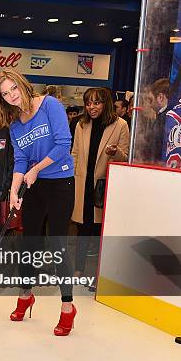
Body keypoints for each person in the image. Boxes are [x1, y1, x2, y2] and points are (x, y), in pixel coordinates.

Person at [0, 69, 76, 336]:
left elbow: (64, 143)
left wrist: (37, 169)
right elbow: (20, 161)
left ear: (22, 84)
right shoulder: (16, 125)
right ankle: (26, 294)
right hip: (33, 185)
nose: (11, 96)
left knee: (58, 244)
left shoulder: (49, 104)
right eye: (5, 94)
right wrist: (14, 191)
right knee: (30, 242)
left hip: (60, 182)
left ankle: (67, 306)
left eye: (13, 88)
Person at [71, 87, 129, 276]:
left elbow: (125, 157)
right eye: (88, 103)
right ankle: (78, 269)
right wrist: (71, 179)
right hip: (82, 185)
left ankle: (99, 274)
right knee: (82, 229)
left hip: (103, 187)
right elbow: (75, 154)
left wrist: (116, 152)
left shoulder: (120, 125)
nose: (91, 107)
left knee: (100, 232)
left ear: (106, 104)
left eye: (96, 103)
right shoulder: (81, 124)